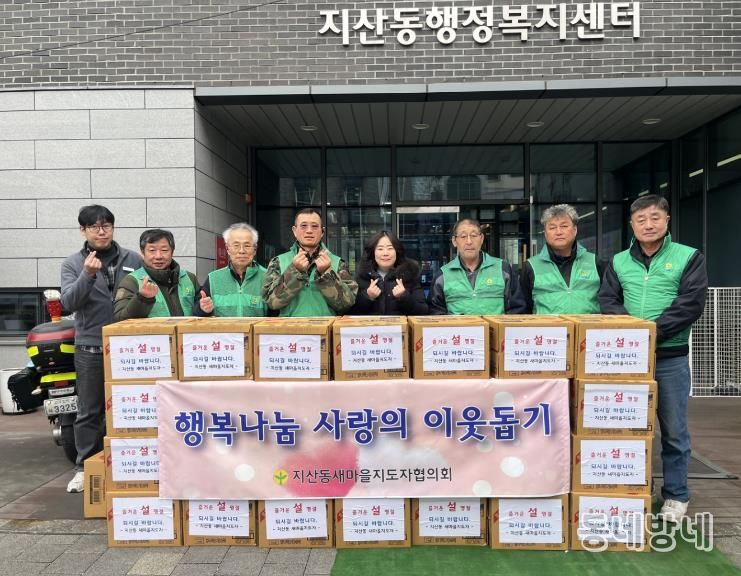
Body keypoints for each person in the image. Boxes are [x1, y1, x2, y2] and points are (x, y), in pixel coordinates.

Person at [599, 194, 708, 523]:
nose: (648, 224)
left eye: (655, 218)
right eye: (641, 219)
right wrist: (633, 337)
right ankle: (633, 488)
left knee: (673, 430)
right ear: (632, 225)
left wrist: (650, 333)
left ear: (667, 220)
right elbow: (609, 300)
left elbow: (690, 303)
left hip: (670, 358)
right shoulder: (618, 261)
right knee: (626, 428)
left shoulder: (689, 257)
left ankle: (676, 494)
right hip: (627, 359)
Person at [60, 205, 142, 493]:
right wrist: (87, 275)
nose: (101, 231)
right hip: (91, 347)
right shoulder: (73, 264)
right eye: (94, 227)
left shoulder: (133, 259)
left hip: (129, 346)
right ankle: (85, 467)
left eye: (106, 225)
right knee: (89, 411)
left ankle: (132, 463)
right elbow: (68, 302)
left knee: (132, 406)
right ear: (83, 230)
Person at [261, 208, 357, 316]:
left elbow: (346, 304)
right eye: (303, 226)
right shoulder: (278, 262)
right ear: (294, 231)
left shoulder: (337, 263)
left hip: (326, 326)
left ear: (322, 232)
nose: (309, 231)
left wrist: (326, 273)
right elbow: (271, 303)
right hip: (290, 326)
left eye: (315, 226)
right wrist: (294, 271)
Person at [428, 218, 526, 315]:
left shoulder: (502, 269)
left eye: (474, 235)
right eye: (463, 236)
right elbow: (435, 313)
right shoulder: (443, 276)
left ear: (481, 239)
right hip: (457, 327)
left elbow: (517, 309)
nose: (469, 241)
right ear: (454, 241)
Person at [520, 204, 601, 314]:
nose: (558, 232)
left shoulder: (595, 262)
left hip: (588, 325)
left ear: (575, 230)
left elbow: (607, 300)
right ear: (545, 234)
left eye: (564, 226)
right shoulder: (531, 266)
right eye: (552, 228)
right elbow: (524, 308)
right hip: (545, 326)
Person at [113, 229, 199, 320]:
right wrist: (142, 299)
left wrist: (203, 309)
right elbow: (120, 319)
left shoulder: (189, 278)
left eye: (164, 250)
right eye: (152, 250)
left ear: (172, 251)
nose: (158, 256)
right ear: (143, 252)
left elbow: (201, 313)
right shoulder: (131, 281)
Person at [196, 223, 267, 317]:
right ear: (228, 249)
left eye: (247, 246)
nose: (241, 251)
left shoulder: (268, 277)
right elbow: (195, 312)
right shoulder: (213, 279)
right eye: (236, 245)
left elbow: (277, 316)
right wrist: (202, 309)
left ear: (255, 250)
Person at [350, 231, 428, 316]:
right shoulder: (362, 276)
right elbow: (350, 313)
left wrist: (404, 297)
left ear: (397, 251)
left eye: (390, 248)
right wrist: (367, 296)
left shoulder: (409, 275)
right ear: (373, 252)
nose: (385, 253)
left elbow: (423, 311)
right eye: (380, 249)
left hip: (401, 325)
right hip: (371, 325)